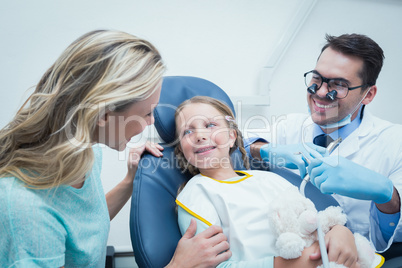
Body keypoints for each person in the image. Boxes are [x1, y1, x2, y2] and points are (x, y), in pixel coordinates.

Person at [0, 30, 231, 267]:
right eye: (146, 113)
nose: (153, 121)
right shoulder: (24, 208)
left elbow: (83, 227)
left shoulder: (85, 152)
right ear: (104, 116)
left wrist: (129, 182)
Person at [247, 33, 402, 253]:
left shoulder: (396, 143)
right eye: (317, 79)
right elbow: (233, 143)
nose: (320, 93)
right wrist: (265, 150)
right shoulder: (288, 126)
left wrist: (388, 196)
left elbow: (393, 238)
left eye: (338, 85)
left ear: (368, 94)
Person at [174, 96, 361, 267]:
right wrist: (290, 265)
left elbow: (312, 219)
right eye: (187, 131)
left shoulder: (269, 179)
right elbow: (214, 265)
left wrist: (339, 231)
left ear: (232, 137)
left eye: (210, 125)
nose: (199, 135)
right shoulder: (196, 194)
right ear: (182, 149)